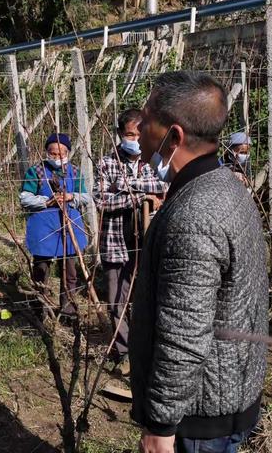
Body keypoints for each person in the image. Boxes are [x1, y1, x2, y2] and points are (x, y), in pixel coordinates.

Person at [129, 71, 268, 453]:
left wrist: (160, 425)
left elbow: (184, 334)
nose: (138, 127)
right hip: (228, 391)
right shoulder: (225, 186)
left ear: (174, 136)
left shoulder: (194, 214)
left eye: (146, 118)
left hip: (198, 418)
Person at [93, 108, 166, 375]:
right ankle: (124, 351)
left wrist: (124, 190)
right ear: (120, 135)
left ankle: (148, 347)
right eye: (129, 134)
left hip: (147, 242)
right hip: (115, 242)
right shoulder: (107, 163)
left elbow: (165, 189)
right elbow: (101, 200)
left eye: (138, 134)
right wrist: (140, 196)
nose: (134, 139)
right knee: (116, 300)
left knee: (147, 297)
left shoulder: (155, 162)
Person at [20, 133, 89, 318]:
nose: (57, 157)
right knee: (41, 270)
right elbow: (25, 198)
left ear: (68, 152)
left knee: (70, 272)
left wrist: (70, 196)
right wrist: (47, 201)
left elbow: (86, 197)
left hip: (69, 227)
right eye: (53, 153)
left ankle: (68, 311)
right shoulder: (36, 171)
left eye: (61, 153)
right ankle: (38, 310)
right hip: (44, 228)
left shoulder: (74, 172)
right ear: (47, 152)